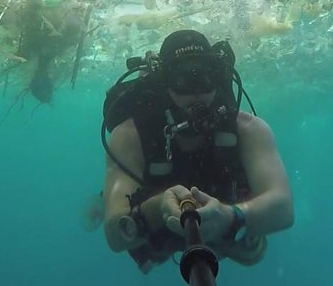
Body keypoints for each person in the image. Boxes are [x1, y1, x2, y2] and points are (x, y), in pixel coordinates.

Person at [101, 29, 294, 273]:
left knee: (250, 251)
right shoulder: (130, 135)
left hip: (225, 224)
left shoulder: (249, 130)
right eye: (182, 80)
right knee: (144, 246)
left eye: (205, 77)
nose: (196, 92)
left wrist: (232, 216)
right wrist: (158, 207)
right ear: (164, 84)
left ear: (219, 76)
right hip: (161, 228)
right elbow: (114, 234)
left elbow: (283, 208)